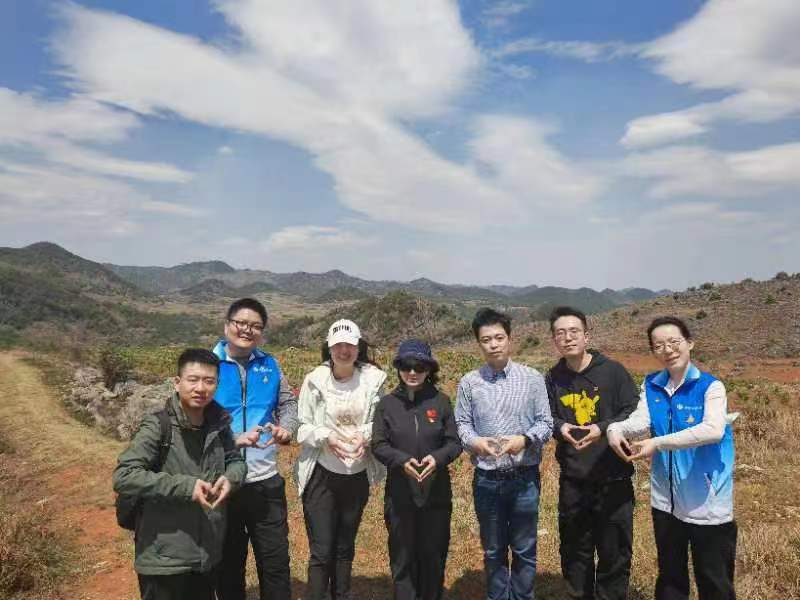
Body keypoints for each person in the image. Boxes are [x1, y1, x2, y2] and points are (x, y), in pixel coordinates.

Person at [607, 316, 737, 600]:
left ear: (690, 343)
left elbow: (713, 430)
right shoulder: (652, 384)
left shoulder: (710, 387)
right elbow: (641, 420)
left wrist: (657, 443)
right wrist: (615, 429)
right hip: (665, 500)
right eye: (659, 345)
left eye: (674, 342)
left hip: (708, 501)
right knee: (670, 576)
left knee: (714, 579)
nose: (667, 350)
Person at [113, 348, 246, 600]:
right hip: (164, 557)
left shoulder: (219, 423)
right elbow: (125, 475)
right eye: (193, 379)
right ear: (177, 382)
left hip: (206, 553)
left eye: (209, 381)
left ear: (216, 385)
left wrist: (231, 479)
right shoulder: (158, 425)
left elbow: (236, 461)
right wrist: (187, 487)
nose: (201, 388)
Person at [455, 308, 553, 600]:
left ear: (510, 339)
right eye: (486, 340)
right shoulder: (469, 382)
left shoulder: (532, 378)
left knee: (524, 548)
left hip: (524, 477)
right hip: (487, 478)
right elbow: (462, 424)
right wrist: (476, 443)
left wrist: (524, 440)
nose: (493, 344)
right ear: (479, 343)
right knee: (493, 549)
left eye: (499, 337)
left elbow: (545, 423)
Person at [545, 306, 639, 600]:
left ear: (587, 336)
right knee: (575, 551)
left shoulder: (613, 372)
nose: (568, 338)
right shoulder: (553, 378)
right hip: (574, 480)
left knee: (615, 551)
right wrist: (561, 428)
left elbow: (634, 412)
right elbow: (546, 417)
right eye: (560, 333)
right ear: (554, 340)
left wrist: (601, 428)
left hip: (613, 477)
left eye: (574, 331)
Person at [212, 298, 298, 600]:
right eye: (241, 323)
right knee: (228, 563)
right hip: (222, 481)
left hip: (265, 480)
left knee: (275, 562)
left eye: (256, 326)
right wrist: (233, 439)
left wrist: (287, 428)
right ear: (227, 325)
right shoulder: (208, 365)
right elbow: (194, 422)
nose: (247, 330)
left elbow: (288, 403)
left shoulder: (270, 365)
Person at [295, 319, 387, 600]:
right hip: (321, 474)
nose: (344, 351)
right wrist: (326, 437)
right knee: (322, 549)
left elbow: (381, 423)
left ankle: (341, 594)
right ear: (329, 348)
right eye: (338, 345)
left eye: (350, 345)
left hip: (356, 475)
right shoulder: (315, 380)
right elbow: (301, 426)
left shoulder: (373, 380)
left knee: (345, 546)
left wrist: (365, 436)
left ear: (359, 347)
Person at [372, 339, 463, 600]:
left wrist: (437, 459)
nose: (412, 372)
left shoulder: (441, 401)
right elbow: (378, 444)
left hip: (436, 491)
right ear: (398, 368)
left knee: (433, 553)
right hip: (400, 491)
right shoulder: (387, 404)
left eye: (420, 366)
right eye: (406, 366)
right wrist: (401, 461)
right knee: (402, 554)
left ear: (429, 369)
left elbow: (454, 443)